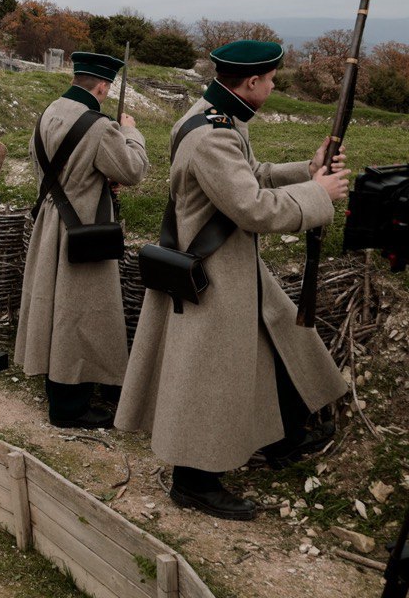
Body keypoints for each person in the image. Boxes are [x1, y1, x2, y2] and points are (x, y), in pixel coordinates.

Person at [115, 40, 350, 520]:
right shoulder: (213, 135)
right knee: (208, 376)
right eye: (271, 80)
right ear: (251, 82)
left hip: (232, 266)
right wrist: (319, 194)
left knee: (274, 342)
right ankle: (193, 482)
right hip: (215, 273)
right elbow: (252, 208)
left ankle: (285, 437)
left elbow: (249, 175)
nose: (274, 86)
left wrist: (305, 171)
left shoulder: (216, 118)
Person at [14, 51, 149, 428]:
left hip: (49, 223)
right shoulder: (100, 126)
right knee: (77, 315)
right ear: (103, 86)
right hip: (82, 228)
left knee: (54, 309)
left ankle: (64, 393)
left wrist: (98, 177)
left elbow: (56, 168)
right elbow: (133, 170)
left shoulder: (48, 113)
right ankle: (69, 407)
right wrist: (130, 132)